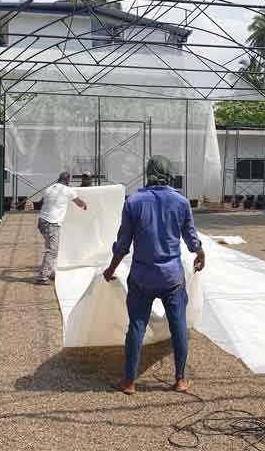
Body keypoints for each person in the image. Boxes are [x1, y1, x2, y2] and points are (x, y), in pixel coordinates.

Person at [103, 155, 205, 395]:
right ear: (170, 174)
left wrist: (111, 269)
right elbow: (191, 238)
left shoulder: (134, 202)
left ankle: (129, 382)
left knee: (136, 326)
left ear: (148, 173)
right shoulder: (181, 202)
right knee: (178, 325)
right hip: (172, 277)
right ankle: (180, 379)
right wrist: (200, 252)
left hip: (142, 276)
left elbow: (123, 244)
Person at [34, 171, 88, 285]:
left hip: (42, 221)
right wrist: (84, 205)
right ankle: (42, 276)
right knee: (52, 250)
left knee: (52, 247)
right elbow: (79, 202)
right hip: (51, 223)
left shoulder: (49, 189)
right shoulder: (68, 190)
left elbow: (42, 202)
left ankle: (51, 272)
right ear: (68, 180)